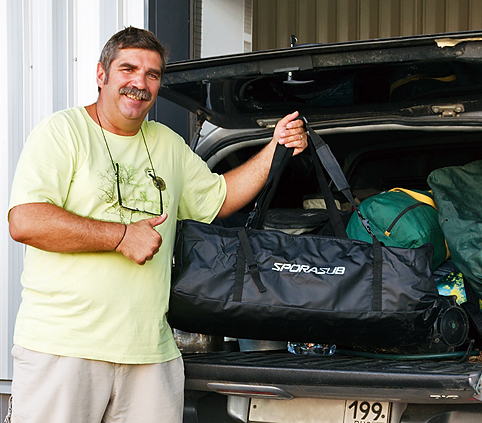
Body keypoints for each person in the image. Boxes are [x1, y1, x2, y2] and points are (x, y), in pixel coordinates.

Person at [6, 26, 307, 423]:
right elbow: (25, 220)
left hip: (150, 354)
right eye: (128, 69)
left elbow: (218, 198)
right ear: (101, 74)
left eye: (152, 74)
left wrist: (275, 147)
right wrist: (120, 237)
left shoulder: (166, 143)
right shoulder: (63, 133)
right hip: (64, 349)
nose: (140, 83)